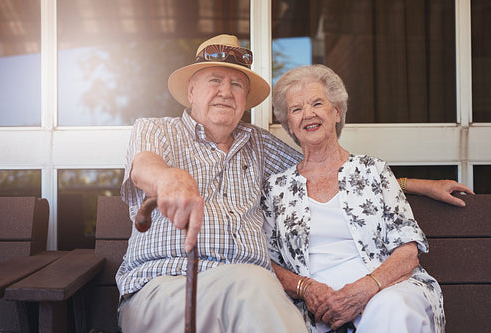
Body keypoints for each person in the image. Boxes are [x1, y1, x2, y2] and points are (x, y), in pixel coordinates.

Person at [116, 34, 471, 332]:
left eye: (236, 84)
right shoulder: (157, 130)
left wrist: (418, 184)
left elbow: (330, 169)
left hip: (250, 297)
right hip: (169, 285)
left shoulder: (258, 145)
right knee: (252, 285)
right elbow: (144, 167)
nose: (225, 91)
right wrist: (170, 180)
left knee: (259, 292)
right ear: (191, 90)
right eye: (214, 81)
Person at [262, 64, 457, 333]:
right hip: (313, 306)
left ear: (336, 111)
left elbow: (408, 253)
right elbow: (268, 261)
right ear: (289, 126)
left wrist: (365, 289)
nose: (308, 114)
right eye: (297, 109)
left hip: (385, 290)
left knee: (392, 309)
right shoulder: (276, 188)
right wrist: (305, 288)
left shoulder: (373, 170)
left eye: (317, 103)